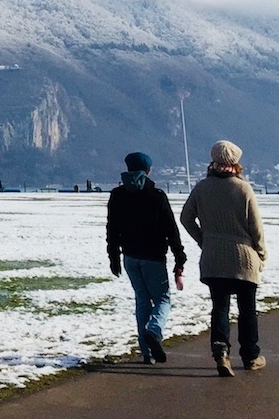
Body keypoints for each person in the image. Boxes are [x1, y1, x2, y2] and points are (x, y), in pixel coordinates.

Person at [180, 140, 266, 377]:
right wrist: (260, 254)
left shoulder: (201, 188)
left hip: (214, 259)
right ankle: (250, 356)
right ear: (236, 162)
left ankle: (221, 352)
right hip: (243, 258)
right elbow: (255, 227)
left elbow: (186, 218)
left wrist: (204, 239)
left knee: (220, 307)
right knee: (247, 309)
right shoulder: (243, 189)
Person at [106, 151, 186, 364]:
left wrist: (113, 255)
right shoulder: (157, 196)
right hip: (153, 257)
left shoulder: (117, 195)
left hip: (130, 257)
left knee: (142, 300)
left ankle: (146, 352)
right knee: (162, 299)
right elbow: (171, 229)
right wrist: (179, 257)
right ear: (148, 170)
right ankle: (154, 330)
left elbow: (112, 229)